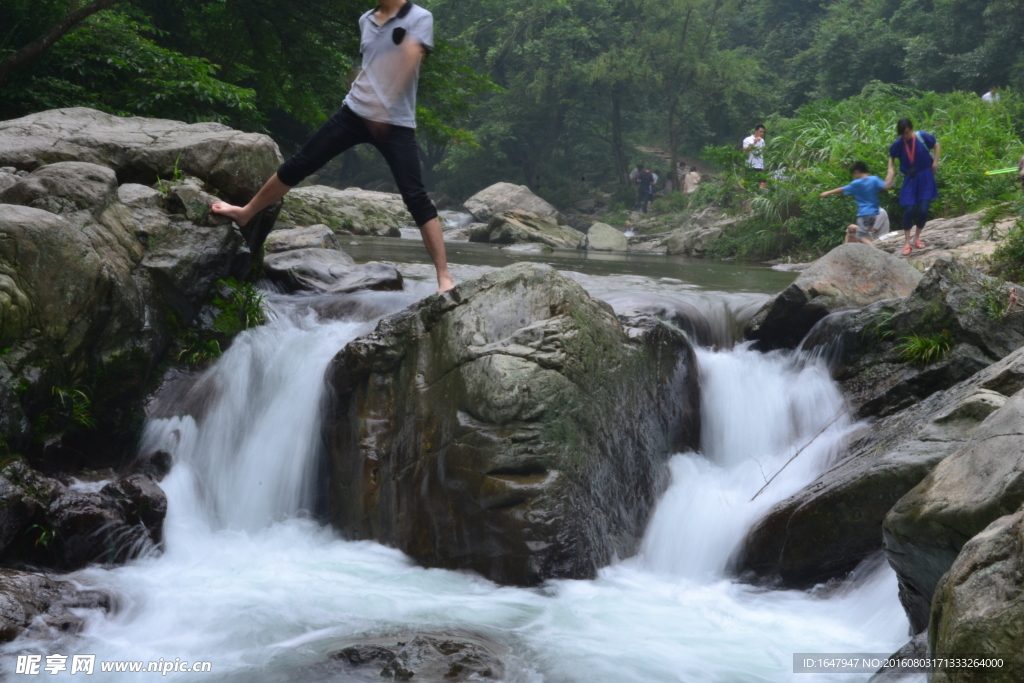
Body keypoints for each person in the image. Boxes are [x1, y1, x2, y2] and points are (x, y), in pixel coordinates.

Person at [211, 0, 454, 292]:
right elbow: (373, 64)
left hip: (395, 124)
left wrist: (383, 102)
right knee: (300, 163)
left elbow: (411, 58)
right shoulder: (366, 19)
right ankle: (246, 212)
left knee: (416, 197)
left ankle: (444, 277)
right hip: (353, 114)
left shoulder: (419, 17)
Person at [886, 118, 941, 256]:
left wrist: (934, 162)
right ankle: (906, 242)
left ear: (912, 128)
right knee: (909, 210)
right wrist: (891, 170)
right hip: (910, 179)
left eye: (907, 132)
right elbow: (891, 157)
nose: (906, 136)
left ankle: (917, 238)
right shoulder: (899, 143)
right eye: (903, 134)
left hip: (926, 176)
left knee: (923, 210)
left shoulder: (922, 136)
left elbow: (936, 145)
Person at [819, 161, 893, 246]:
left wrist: (828, 192)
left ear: (856, 172)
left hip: (865, 214)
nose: (854, 177)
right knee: (855, 233)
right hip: (873, 213)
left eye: (854, 174)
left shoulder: (857, 183)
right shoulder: (874, 179)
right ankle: (849, 251)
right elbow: (887, 186)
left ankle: (874, 250)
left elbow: (842, 189)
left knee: (860, 235)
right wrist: (891, 173)